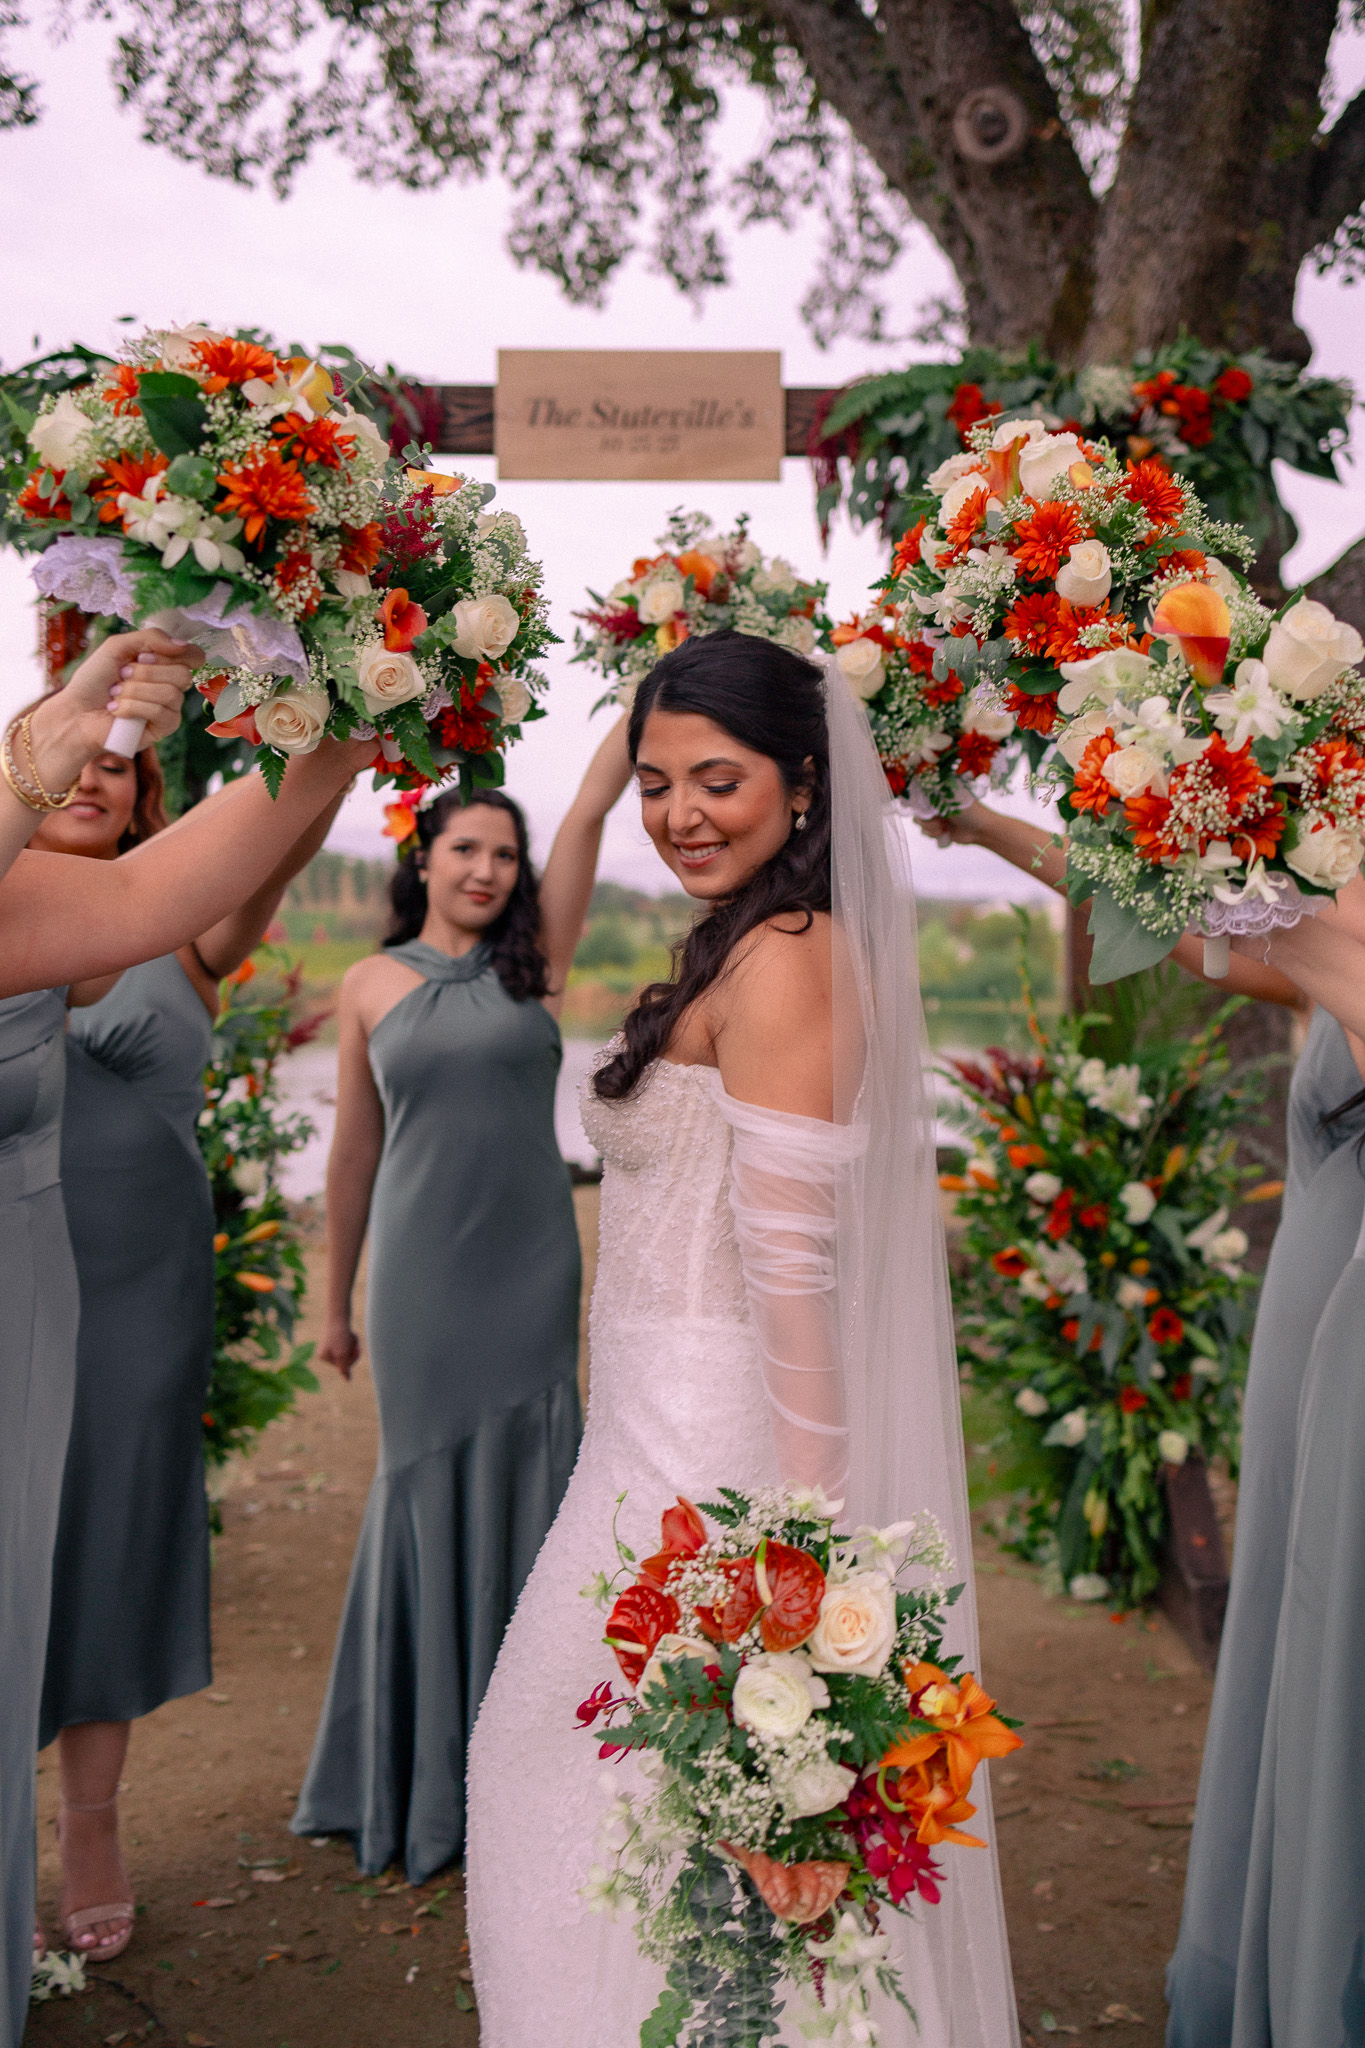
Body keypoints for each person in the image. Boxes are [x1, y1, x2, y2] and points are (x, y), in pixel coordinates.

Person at [465, 634, 1019, 2046]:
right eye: (655, 782)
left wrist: (807, 1562)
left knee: (579, 1774)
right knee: (599, 1795)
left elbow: (795, 1278)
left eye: (717, 779)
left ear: (804, 783)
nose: (680, 813)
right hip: (643, 1432)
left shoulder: (787, 957)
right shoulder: (742, 937)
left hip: (714, 1458)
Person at [914, 798, 1365, 2048]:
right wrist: (984, 824)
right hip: (1314, 1286)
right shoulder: (1334, 873)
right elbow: (1181, 926)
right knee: (1293, 1597)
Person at [0, 628, 371, 2048]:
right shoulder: (27, 903)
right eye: (71, 755)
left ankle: (89, 1823)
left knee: (107, 1534)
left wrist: (345, 718)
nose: (95, 775)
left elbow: (264, 843)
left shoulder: (165, 925)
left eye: (117, 764)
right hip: (29, 1271)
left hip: (135, 1285)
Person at [291, 717, 633, 1885]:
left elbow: (587, 814)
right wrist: (334, 1304)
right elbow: (352, 1155)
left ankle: (536, 1785)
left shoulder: (534, 966)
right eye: (466, 849)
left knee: (540, 1500)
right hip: (420, 1284)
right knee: (421, 1489)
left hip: (530, 1270)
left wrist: (642, 703)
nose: (487, 869)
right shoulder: (367, 982)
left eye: (504, 854)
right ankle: (423, 1783)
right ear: (423, 858)